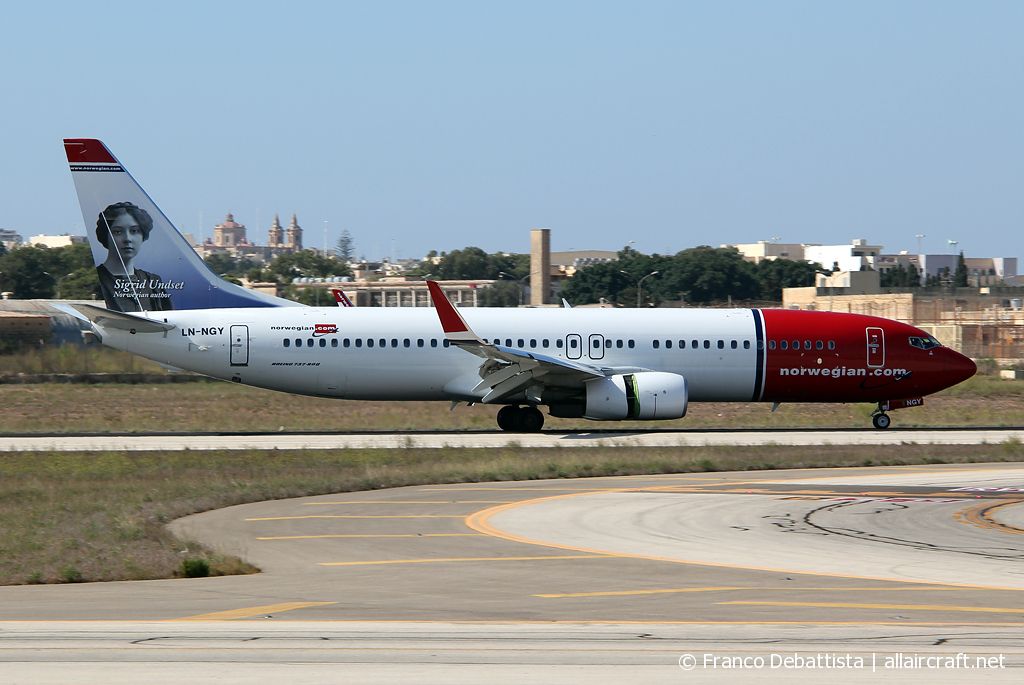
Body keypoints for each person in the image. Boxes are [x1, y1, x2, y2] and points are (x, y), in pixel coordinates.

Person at [95, 202, 174, 312]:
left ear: (143, 236)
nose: (127, 238)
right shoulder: (97, 280)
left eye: (134, 231)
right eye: (117, 232)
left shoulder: (153, 282)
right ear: (105, 236)